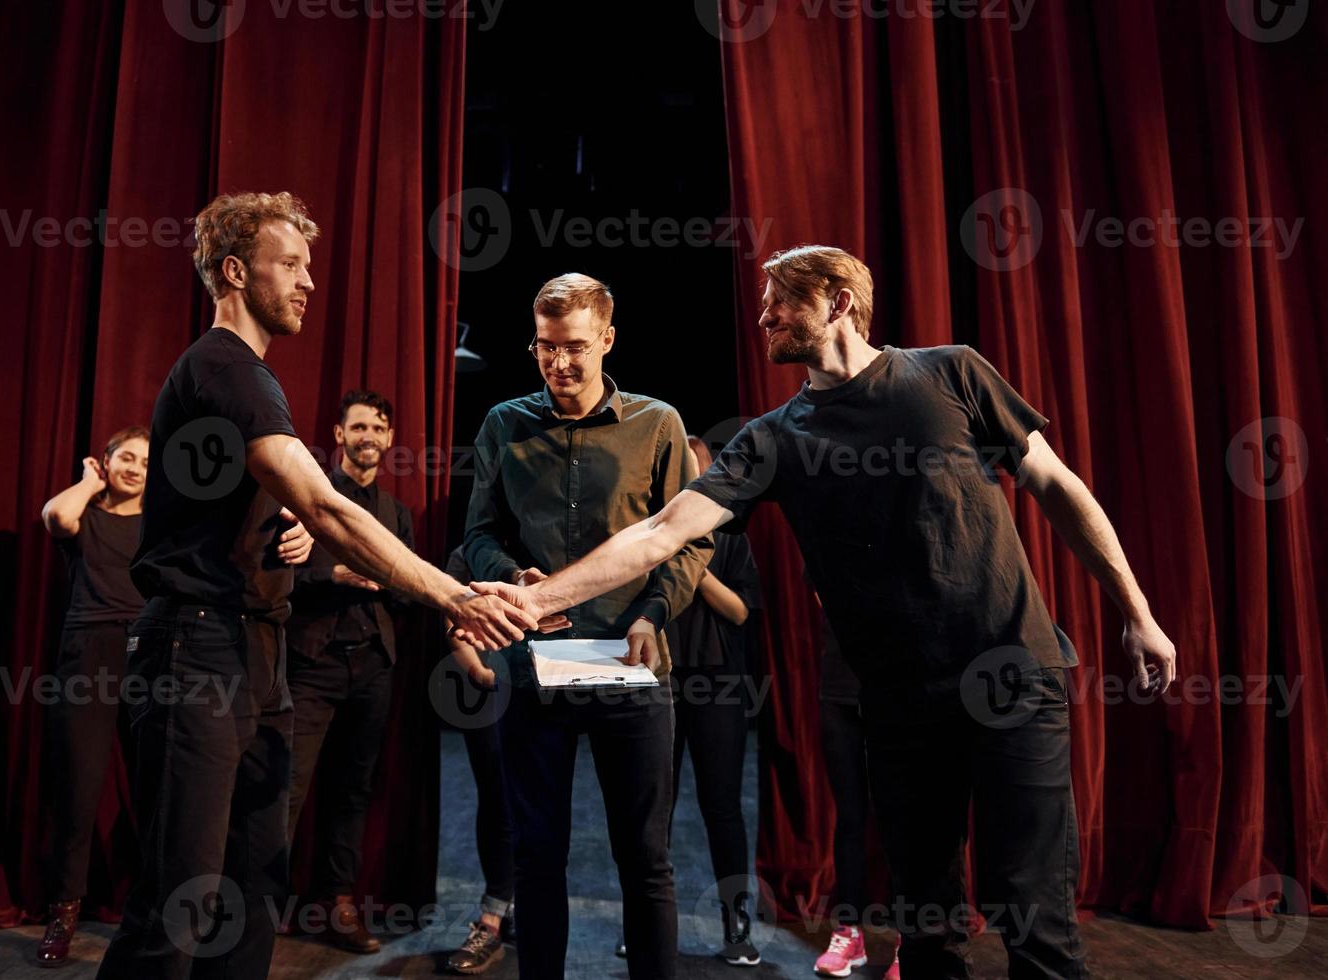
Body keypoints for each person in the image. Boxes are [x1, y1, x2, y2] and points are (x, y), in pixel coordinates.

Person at [479, 246, 1178, 980]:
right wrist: (532, 599)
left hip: (1012, 675)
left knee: (1035, 919)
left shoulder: (951, 372)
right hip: (900, 706)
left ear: (838, 302)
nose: (763, 317)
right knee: (927, 930)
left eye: (779, 301)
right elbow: (662, 531)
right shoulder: (774, 438)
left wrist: (1137, 610)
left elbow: (1057, 486)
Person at [95, 191, 550, 980]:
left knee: (254, 883)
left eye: (310, 267)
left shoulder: (250, 380)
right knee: (181, 896)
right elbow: (329, 504)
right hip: (197, 650)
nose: (309, 282)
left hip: (255, 650)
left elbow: (267, 505)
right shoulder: (222, 366)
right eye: (291, 265)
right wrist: (455, 596)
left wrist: (279, 532)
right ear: (235, 271)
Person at [457, 272, 714, 980]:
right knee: (537, 854)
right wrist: (512, 575)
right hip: (534, 669)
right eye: (544, 347)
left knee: (646, 859)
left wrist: (655, 614)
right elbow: (475, 536)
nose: (558, 363)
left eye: (573, 346)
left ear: (607, 338)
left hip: (631, 670)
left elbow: (689, 540)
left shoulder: (658, 425)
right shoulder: (503, 425)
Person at [285, 389, 413, 953]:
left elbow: (412, 594)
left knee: (352, 792)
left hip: (374, 670)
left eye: (378, 428)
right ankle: (257, 911)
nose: (369, 436)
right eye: (358, 426)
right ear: (339, 434)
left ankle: (338, 904)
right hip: (310, 666)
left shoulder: (397, 514)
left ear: (387, 440)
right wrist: (333, 574)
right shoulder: (308, 498)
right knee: (283, 790)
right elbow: (276, 577)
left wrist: (388, 582)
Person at [35, 425, 149, 967]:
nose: (135, 468)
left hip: (148, 658)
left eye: (147, 462)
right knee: (78, 792)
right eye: (126, 458)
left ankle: (153, 908)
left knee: (157, 791)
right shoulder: (83, 517)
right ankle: (64, 911)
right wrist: (88, 481)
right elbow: (56, 516)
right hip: (87, 658)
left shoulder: (159, 527)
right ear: (105, 462)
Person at [664, 435, 764, 967]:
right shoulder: (649, 536)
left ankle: (736, 922)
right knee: (654, 810)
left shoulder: (730, 538)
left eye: (697, 471)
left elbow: (742, 612)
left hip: (718, 686)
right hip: (659, 683)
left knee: (722, 807)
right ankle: (648, 922)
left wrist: (693, 569)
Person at [811, 604, 900, 979]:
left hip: (901, 689)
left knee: (902, 821)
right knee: (849, 818)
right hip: (840, 686)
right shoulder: (832, 541)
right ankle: (848, 932)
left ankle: (907, 941)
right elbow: (821, 592)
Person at [440, 546, 516, 976]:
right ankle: (491, 917)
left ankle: (515, 906)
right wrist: (480, 673)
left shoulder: (547, 531)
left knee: (538, 800)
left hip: (546, 685)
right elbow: (452, 621)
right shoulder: (470, 550)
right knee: (498, 797)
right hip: (489, 689)